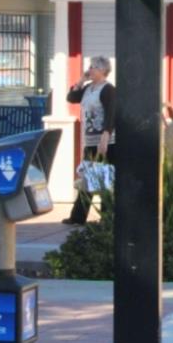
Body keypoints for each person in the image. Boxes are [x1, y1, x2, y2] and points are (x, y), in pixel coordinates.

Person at [65, 55, 115, 225]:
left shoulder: (108, 89)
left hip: (104, 142)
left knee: (104, 179)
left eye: (93, 67)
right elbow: (71, 98)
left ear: (102, 70)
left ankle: (107, 218)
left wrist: (106, 135)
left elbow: (111, 113)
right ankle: (78, 217)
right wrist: (80, 81)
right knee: (88, 179)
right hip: (90, 140)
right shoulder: (88, 88)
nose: (90, 70)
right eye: (90, 66)